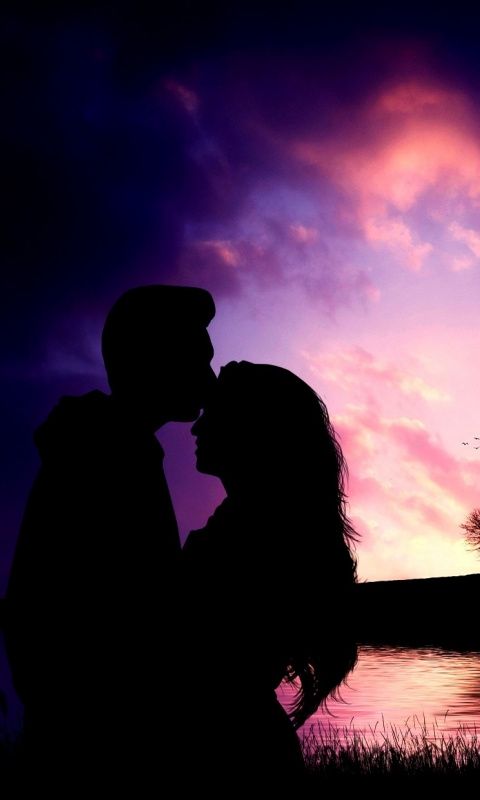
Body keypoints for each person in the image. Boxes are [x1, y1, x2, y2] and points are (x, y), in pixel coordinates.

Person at [4, 284, 216, 791]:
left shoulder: (114, 446)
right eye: (197, 357)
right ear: (154, 357)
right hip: (95, 760)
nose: (209, 380)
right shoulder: (107, 455)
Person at [183, 361, 358, 792]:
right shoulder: (263, 526)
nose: (195, 429)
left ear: (253, 429)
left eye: (215, 414)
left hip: (231, 758)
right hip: (249, 747)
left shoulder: (254, 536)